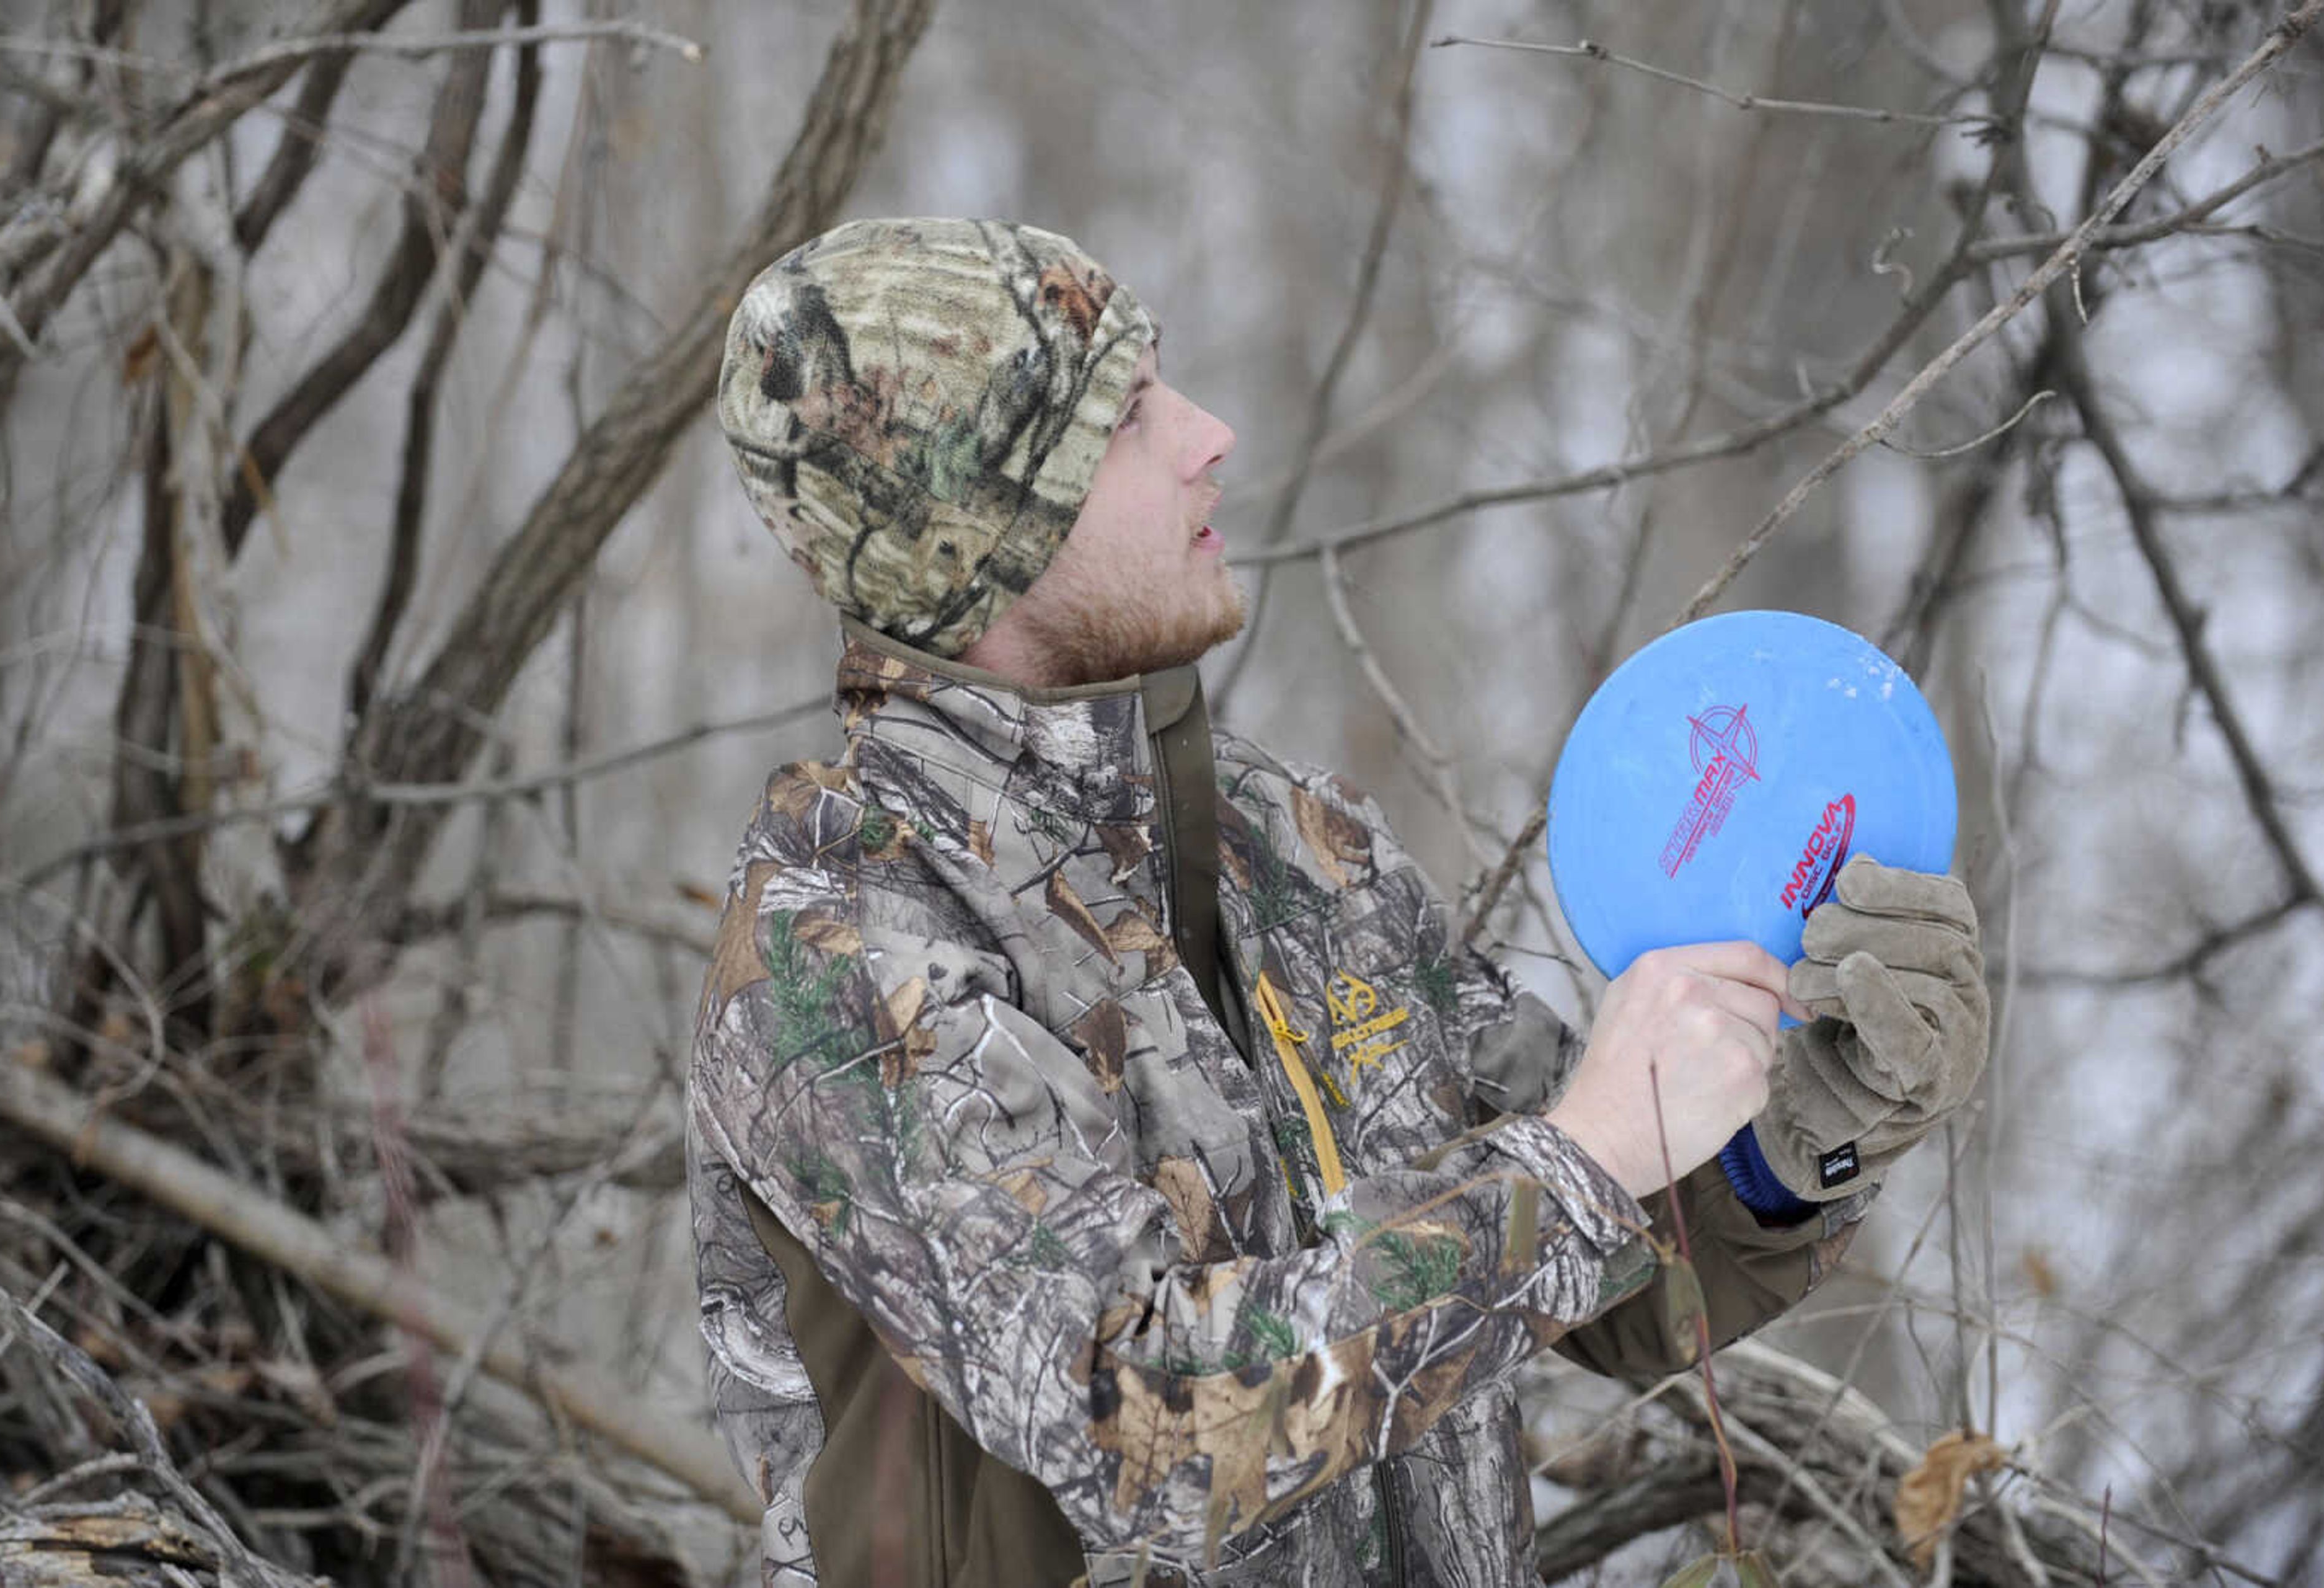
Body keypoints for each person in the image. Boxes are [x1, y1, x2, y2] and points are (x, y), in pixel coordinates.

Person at [687, 218, 1988, 1587]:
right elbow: (1154, 1429)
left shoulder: (1299, 846)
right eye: (1126, 417)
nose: (1210, 434)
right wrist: (1587, 1156)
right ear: (985, 528)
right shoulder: (835, 948)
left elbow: (1608, 1264)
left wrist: (1802, 1139)